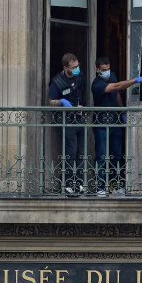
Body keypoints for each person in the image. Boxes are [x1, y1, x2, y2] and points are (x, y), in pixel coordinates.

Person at [90, 56, 142, 197]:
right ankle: (100, 187)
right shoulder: (96, 84)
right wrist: (135, 80)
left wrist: (122, 111)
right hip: (101, 124)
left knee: (116, 155)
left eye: (108, 69)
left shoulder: (113, 76)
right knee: (102, 156)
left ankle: (115, 185)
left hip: (115, 122)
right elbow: (116, 87)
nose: (107, 72)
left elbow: (116, 94)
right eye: (104, 70)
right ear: (97, 69)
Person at [48, 53, 87, 195]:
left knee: (81, 153)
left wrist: (81, 107)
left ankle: (80, 183)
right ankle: (68, 184)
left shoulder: (79, 77)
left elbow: (81, 94)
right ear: (65, 67)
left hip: (79, 118)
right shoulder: (57, 82)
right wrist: (61, 102)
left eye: (78, 66)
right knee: (70, 152)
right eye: (73, 67)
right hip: (66, 120)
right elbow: (50, 101)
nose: (77, 69)